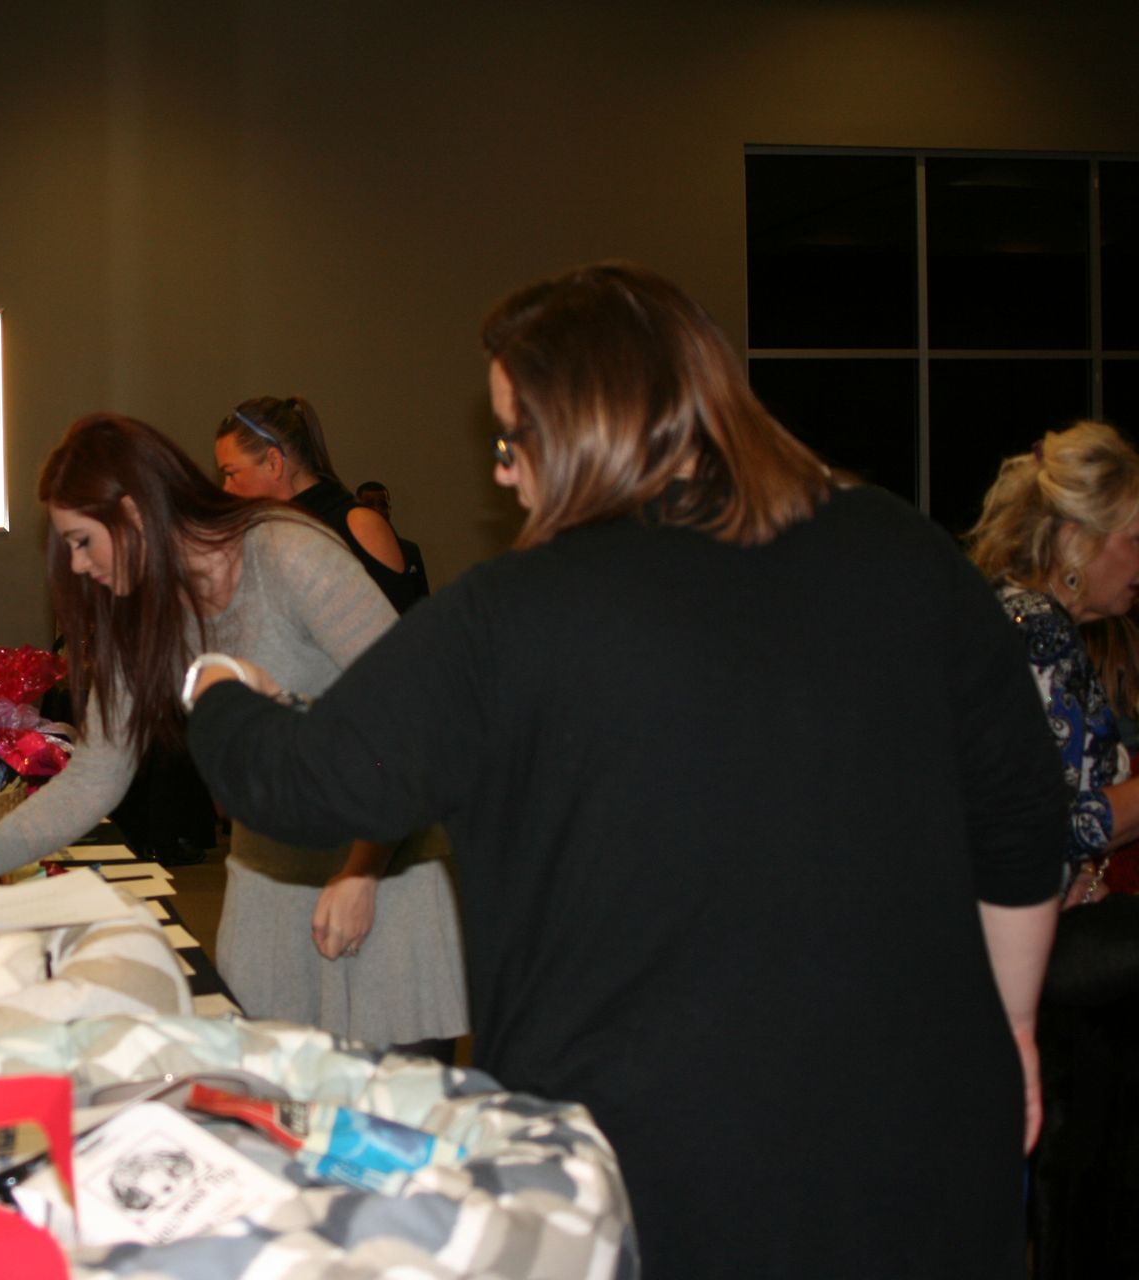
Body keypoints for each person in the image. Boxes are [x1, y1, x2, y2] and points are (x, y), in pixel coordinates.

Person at [184, 261, 1067, 1279]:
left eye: (512, 440)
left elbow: (304, 784)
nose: (505, 473)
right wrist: (1012, 1028)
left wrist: (217, 685)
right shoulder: (903, 547)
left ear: (587, 428)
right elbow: (1020, 814)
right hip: (921, 1126)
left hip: (654, 1159)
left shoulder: (519, 613)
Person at [0, 415, 467, 1054]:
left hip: (380, 870)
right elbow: (96, 776)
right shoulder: (143, 613)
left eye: (81, 541)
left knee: (389, 1129)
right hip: (270, 885)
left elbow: (411, 719)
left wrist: (361, 874)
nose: (76, 563)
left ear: (130, 511)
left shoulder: (286, 553)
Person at [966, 420, 1139, 1280]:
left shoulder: (1005, 613)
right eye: (1134, 537)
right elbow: (1056, 829)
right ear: (1076, 540)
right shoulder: (1039, 627)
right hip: (1016, 955)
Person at [214, 397, 422, 614]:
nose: (226, 489)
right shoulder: (261, 536)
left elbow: (400, 637)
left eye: (231, 474)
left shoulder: (360, 525)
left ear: (274, 462)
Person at [354, 480, 430, 600]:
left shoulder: (409, 551)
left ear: (389, 509)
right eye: (369, 505)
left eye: (382, 505)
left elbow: (422, 600)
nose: (377, 511)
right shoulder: (351, 552)